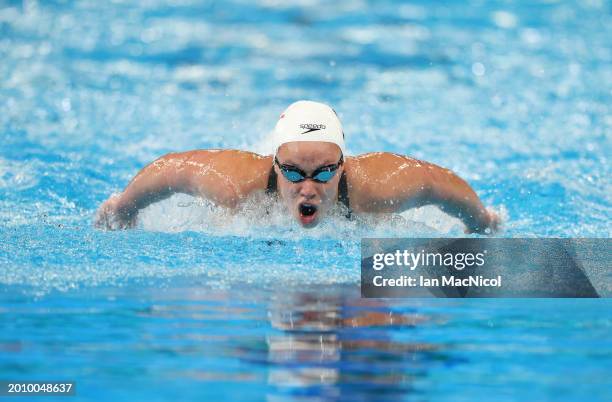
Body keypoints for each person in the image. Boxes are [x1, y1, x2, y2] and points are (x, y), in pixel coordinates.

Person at [95, 100, 500, 233]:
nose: (308, 188)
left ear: (344, 166)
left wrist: (480, 220)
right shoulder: (236, 184)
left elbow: (435, 183)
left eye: (324, 172)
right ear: (275, 165)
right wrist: (124, 207)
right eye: (293, 173)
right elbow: (174, 169)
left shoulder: (376, 186)